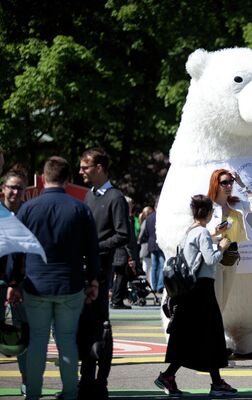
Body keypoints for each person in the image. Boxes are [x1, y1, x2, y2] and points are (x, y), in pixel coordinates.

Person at [8, 156, 100, 400]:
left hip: (36, 284)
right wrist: (93, 280)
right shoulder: (80, 209)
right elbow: (91, 249)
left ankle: (33, 394)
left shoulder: (28, 208)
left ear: (43, 178)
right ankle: (70, 392)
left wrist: (14, 282)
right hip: (70, 285)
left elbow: (16, 250)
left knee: (37, 341)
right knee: (67, 340)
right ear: (68, 180)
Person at [155, 194, 237, 397]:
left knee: (196, 336)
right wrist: (222, 247)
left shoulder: (190, 231)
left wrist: (213, 235)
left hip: (188, 291)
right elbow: (210, 260)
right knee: (210, 333)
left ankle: (177, 376)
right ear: (209, 213)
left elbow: (197, 249)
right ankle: (211, 382)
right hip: (202, 290)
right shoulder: (201, 232)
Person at [78, 147, 130, 398]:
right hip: (85, 269)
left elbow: (123, 234)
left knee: (100, 324)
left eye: (85, 167)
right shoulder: (89, 195)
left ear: (99, 168)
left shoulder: (115, 197)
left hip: (101, 270)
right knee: (85, 325)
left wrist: (95, 247)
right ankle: (86, 378)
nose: (81, 171)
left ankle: (100, 381)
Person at [206, 169, 252, 310]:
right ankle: (213, 331)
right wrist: (215, 232)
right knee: (215, 300)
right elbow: (196, 233)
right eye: (224, 183)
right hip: (214, 256)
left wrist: (242, 184)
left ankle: (217, 331)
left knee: (223, 301)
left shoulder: (237, 204)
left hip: (231, 256)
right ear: (215, 184)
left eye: (231, 182)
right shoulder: (208, 206)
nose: (229, 186)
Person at [1, 167, 29, 394]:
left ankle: (27, 380)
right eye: (11, 187)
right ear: (3, 189)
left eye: (20, 188)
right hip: (0, 283)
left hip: (24, 285)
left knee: (23, 334)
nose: (15, 192)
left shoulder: (30, 215)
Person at [110, 196, 140, 309]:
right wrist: (132, 257)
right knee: (121, 277)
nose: (132, 206)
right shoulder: (125, 219)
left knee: (121, 277)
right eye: (131, 204)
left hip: (120, 253)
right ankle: (117, 301)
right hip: (123, 253)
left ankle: (117, 300)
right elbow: (128, 240)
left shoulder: (121, 218)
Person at [144, 204, 165, 294]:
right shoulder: (162, 217)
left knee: (154, 266)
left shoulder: (149, 217)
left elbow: (146, 232)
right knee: (161, 265)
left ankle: (154, 285)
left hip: (152, 243)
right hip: (160, 243)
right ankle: (160, 286)